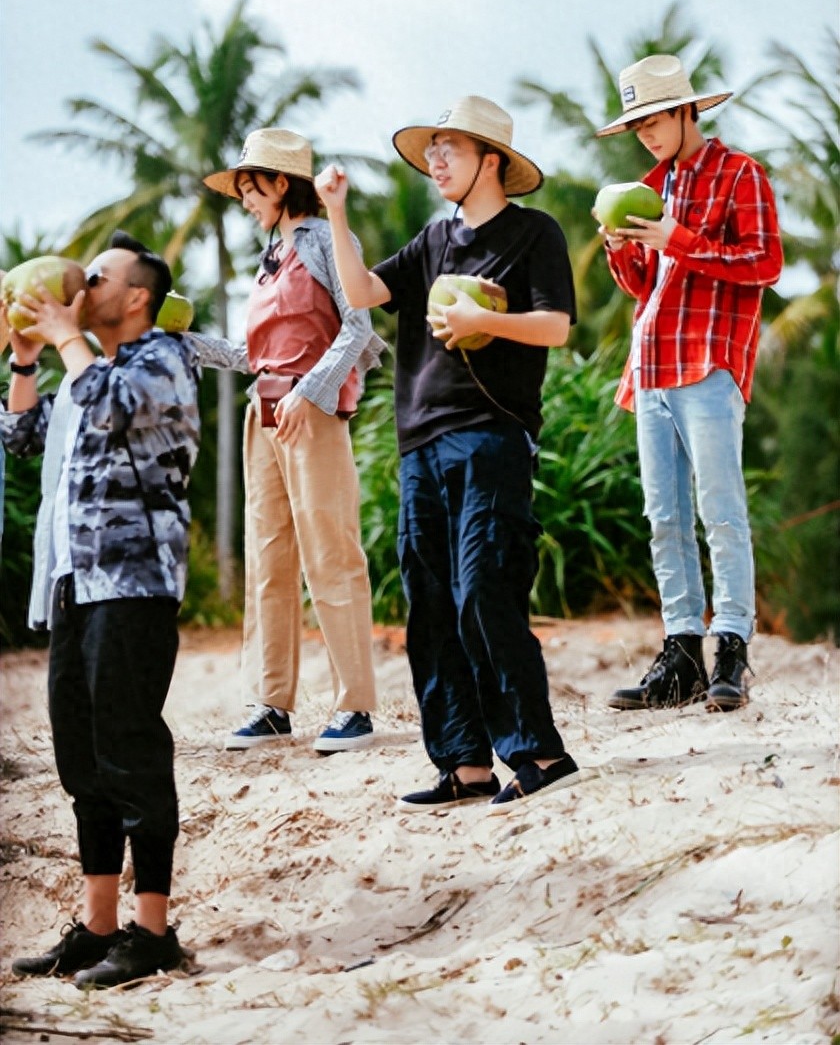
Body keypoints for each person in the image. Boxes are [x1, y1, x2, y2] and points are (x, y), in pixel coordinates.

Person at [317, 95, 580, 812]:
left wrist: (481, 319)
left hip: (492, 435)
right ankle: (464, 763)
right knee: (430, 605)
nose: (435, 161)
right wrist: (336, 213)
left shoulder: (534, 234)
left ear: (492, 160)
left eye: (450, 149)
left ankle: (540, 752)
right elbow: (363, 291)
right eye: (430, 150)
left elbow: (556, 327)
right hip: (420, 443)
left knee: (484, 589)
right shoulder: (433, 242)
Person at [1, 233, 200, 989]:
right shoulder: (94, 368)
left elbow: (107, 403)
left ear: (137, 296)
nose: (82, 285)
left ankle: (154, 930)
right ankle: (99, 925)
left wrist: (64, 334)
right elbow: (21, 433)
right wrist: (27, 355)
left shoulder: (162, 362)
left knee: (130, 750)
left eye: (98, 277)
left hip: (136, 582)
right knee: (81, 759)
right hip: (75, 585)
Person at [594, 54, 783, 712]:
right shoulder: (654, 187)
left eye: (653, 119)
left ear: (686, 110)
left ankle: (731, 646)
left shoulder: (741, 175)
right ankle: (681, 658)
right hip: (650, 366)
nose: (645, 134)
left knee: (720, 509)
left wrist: (681, 237)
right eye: (636, 124)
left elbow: (765, 263)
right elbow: (646, 286)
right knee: (663, 516)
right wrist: (624, 250)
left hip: (707, 363)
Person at [198, 128, 384, 753]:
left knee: (331, 554)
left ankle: (354, 706)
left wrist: (312, 391)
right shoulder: (270, 255)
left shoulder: (331, 239)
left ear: (282, 184)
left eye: (252, 190)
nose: (246, 201)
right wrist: (185, 344)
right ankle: (271, 703)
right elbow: (253, 355)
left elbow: (357, 327)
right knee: (268, 559)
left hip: (315, 412)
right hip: (265, 412)